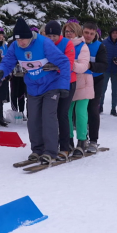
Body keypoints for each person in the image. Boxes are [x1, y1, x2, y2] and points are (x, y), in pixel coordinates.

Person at [0, 19, 71, 164]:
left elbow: (64, 62)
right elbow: (8, 62)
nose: (21, 43)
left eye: (23, 39)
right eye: (18, 40)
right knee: (33, 120)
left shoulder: (44, 43)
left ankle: (50, 151)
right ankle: (37, 150)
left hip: (51, 85)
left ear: (30, 36)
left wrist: (64, 85)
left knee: (48, 118)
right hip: (32, 87)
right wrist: (0, 72)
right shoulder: (15, 46)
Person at [46, 20, 77, 156]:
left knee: (62, 113)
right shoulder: (45, 43)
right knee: (50, 114)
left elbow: (68, 65)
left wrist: (52, 67)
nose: (52, 39)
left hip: (67, 82)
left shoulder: (67, 43)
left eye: (54, 36)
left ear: (60, 35)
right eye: (49, 36)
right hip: (50, 82)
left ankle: (65, 146)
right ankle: (51, 144)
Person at [66, 22, 92, 155]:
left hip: (83, 82)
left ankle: (82, 140)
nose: (69, 33)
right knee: (67, 112)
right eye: (67, 31)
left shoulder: (83, 47)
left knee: (80, 111)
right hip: (69, 82)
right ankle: (68, 140)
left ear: (77, 32)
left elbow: (83, 66)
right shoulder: (63, 45)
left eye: (71, 31)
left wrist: (69, 64)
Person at [83, 22, 108, 153]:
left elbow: (104, 65)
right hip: (79, 80)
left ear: (95, 35)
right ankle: (81, 139)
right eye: (86, 32)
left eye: (91, 34)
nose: (88, 36)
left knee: (92, 109)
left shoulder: (99, 46)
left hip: (95, 80)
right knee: (79, 111)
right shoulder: (77, 45)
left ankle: (93, 141)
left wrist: (90, 66)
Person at [101, 27, 117, 116]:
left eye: (116, 33)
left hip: (116, 70)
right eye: (113, 33)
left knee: (115, 91)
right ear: (110, 34)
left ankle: (113, 108)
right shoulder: (104, 43)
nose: (115, 35)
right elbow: (101, 55)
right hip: (106, 70)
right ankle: (100, 106)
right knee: (102, 89)